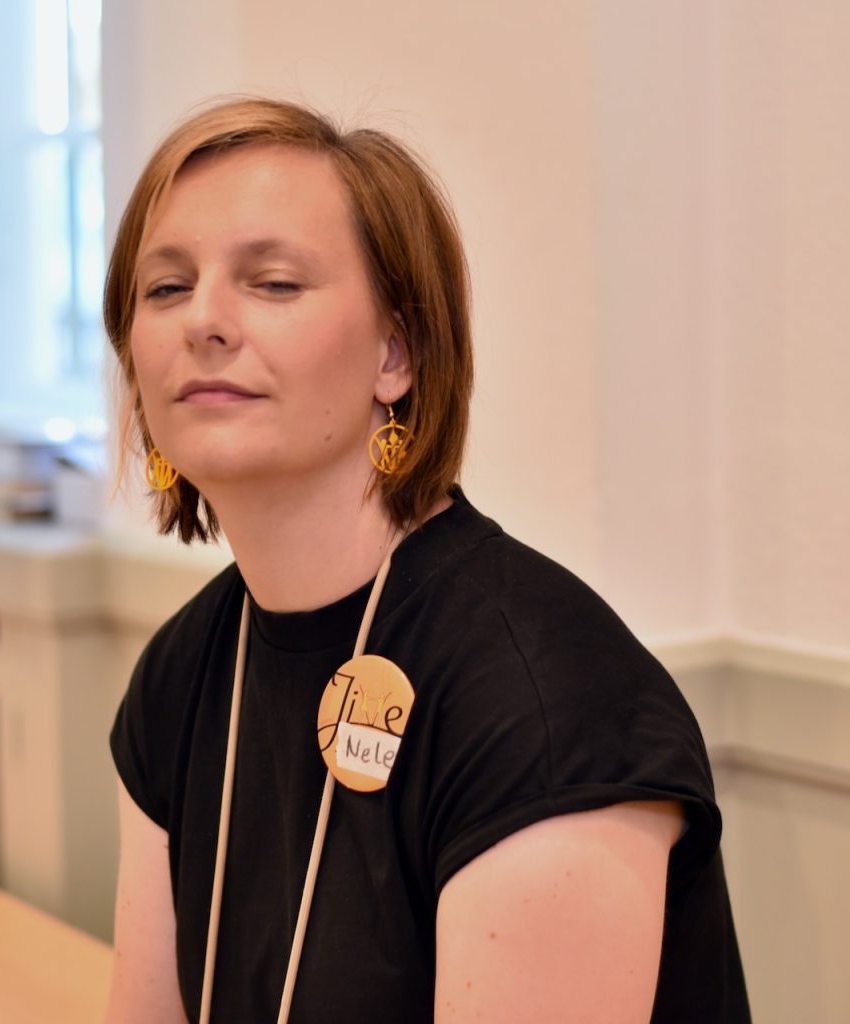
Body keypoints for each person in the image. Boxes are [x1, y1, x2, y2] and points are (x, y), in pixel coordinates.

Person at [104, 97, 751, 1023]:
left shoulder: (546, 706)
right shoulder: (181, 671)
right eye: (166, 288)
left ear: (396, 355)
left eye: (274, 283)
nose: (202, 320)